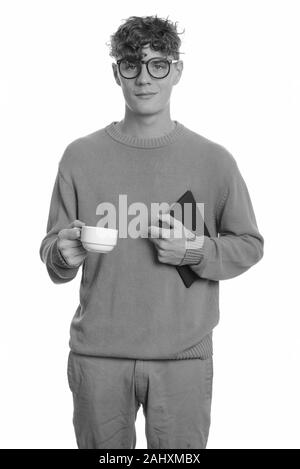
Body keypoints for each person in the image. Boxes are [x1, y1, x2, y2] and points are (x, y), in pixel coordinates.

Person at [39, 15, 264, 449]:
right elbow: (53, 251)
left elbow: (249, 246)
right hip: (98, 357)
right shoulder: (80, 157)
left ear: (177, 70)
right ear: (116, 73)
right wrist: (62, 254)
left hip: (182, 359)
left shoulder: (213, 161)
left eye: (158, 65)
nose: (144, 78)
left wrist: (194, 249)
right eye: (131, 65)